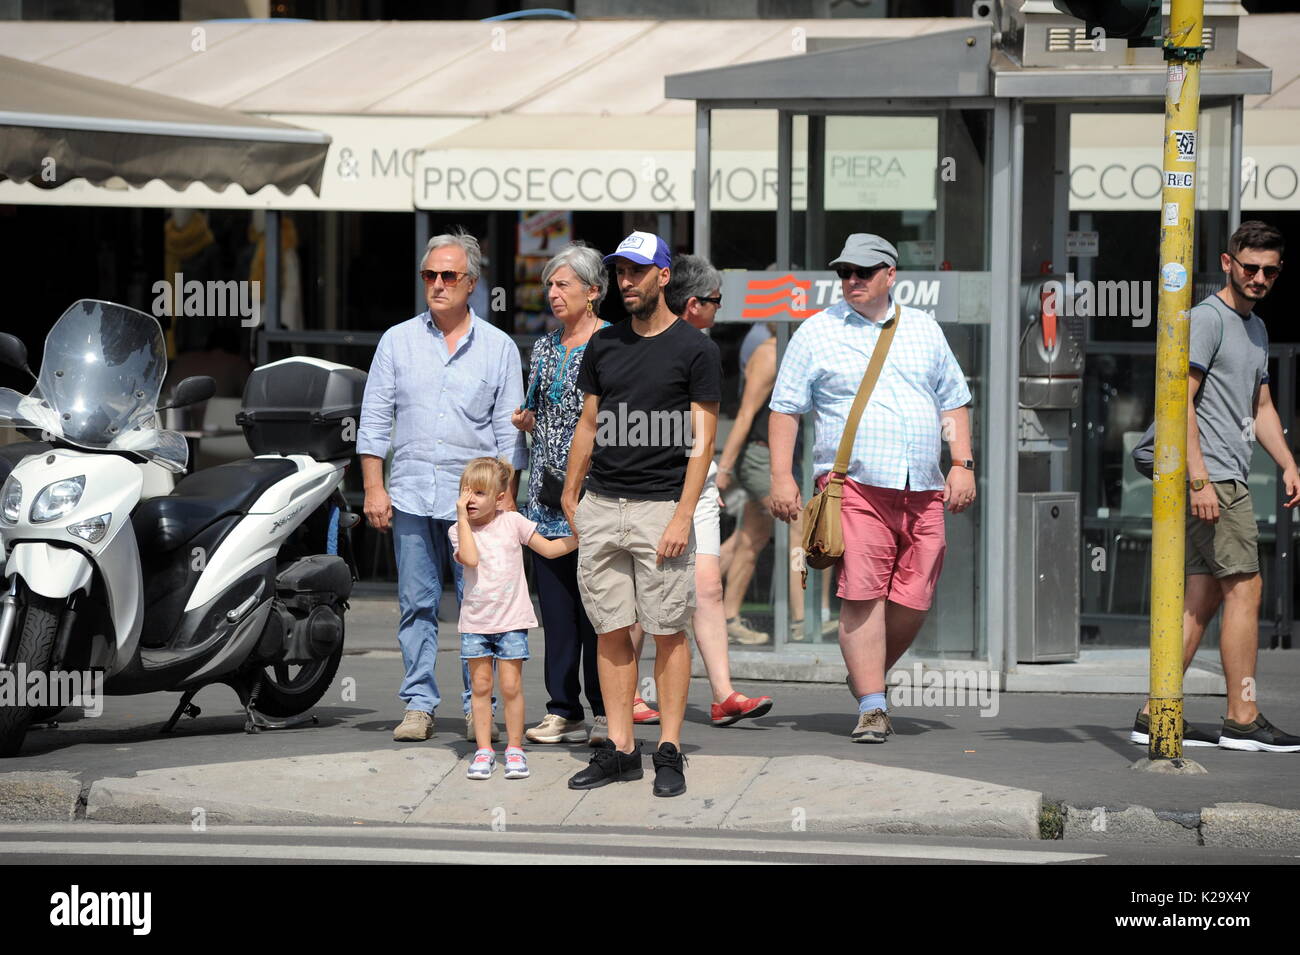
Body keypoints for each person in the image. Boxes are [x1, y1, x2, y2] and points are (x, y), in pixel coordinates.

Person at [769, 233, 975, 744]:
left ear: (890, 275)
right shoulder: (815, 333)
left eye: (863, 272)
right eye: (844, 272)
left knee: (917, 596)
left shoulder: (924, 329)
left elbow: (953, 401)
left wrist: (962, 463)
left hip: (923, 487)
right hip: (851, 484)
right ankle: (873, 704)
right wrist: (781, 476)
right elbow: (786, 409)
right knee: (862, 595)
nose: (852, 281)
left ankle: (866, 669)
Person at [1131, 220, 1300, 752]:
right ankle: (1242, 716)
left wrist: (1289, 462)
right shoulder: (1207, 320)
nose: (1259, 277)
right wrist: (1199, 478)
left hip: (1225, 472)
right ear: (1227, 263)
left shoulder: (1256, 327)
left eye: (1269, 271)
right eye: (1249, 267)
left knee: (1201, 599)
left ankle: (1152, 713)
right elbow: (1179, 402)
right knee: (1246, 589)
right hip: (1215, 478)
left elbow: (1262, 405)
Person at [562, 231, 719, 796]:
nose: (625, 282)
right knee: (610, 631)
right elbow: (587, 423)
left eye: (635, 271)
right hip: (602, 505)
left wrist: (683, 515)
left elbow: (702, 443)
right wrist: (571, 490)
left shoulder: (696, 349)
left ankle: (670, 750)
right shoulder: (604, 346)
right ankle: (622, 749)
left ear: (662, 276)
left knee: (668, 631)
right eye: (619, 272)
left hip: (661, 510)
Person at [357, 229, 528, 744]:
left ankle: (479, 709)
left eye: (448, 275)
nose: (437, 284)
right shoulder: (396, 341)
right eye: (429, 275)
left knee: (482, 609)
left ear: (471, 283)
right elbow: (374, 420)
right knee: (416, 602)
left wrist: (505, 503)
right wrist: (373, 488)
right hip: (409, 493)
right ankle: (418, 704)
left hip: (477, 507)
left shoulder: (498, 348)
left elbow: (507, 436)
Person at [626, 254, 773, 727]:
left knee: (707, 585)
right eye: (714, 302)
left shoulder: (703, 347)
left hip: (700, 478)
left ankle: (724, 693)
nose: (719, 311)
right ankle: (626, 695)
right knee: (638, 595)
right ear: (693, 305)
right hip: (654, 485)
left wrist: (716, 467)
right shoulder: (642, 342)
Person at [512, 242, 611, 747]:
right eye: (550, 284)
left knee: (600, 612)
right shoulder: (545, 347)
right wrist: (526, 419)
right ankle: (562, 709)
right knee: (556, 611)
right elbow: (534, 408)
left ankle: (603, 712)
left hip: (597, 499)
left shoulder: (613, 344)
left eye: (563, 284)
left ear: (593, 291)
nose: (552, 293)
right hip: (546, 500)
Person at [450, 458, 578, 779]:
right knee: (481, 688)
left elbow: (548, 551)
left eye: (479, 493)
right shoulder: (458, 530)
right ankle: (483, 751)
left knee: (511, 687)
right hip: (476, 625)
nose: (470, 500)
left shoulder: (514, 522)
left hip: (511, 622)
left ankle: (515, 749)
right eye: (466, 492)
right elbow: (470, 558)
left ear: (499, 496)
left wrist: (584, 537)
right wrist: (462, 521)